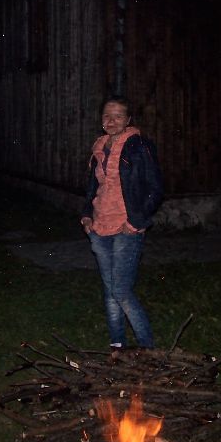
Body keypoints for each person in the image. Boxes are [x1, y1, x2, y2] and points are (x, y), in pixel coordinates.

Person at [80, 96, 164, 349]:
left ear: (128, 120)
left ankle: (147, 348)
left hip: (126, 227)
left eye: (118, 116)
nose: (111, 121)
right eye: (107, 115)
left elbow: (155, 188)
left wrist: (136, 221)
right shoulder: (99, 147)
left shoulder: (139, 146)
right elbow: (93, 186)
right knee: (110, 291)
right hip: (99, 226)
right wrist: (86, 214)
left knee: (121, 291)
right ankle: (117, 346)